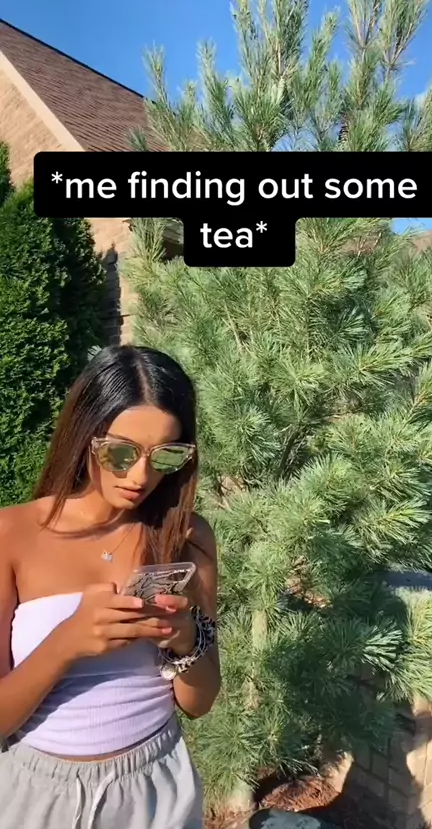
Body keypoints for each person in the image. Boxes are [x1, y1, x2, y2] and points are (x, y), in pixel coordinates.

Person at [0, 344, 220, 829]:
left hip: (157, 789)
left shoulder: (186, 535)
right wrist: (66, 643)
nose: (140, 476)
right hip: (38, 795)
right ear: (84, 436)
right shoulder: (11, 534)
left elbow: (200, 702)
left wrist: (186, 639)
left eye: (165, 456)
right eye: (121, 452)